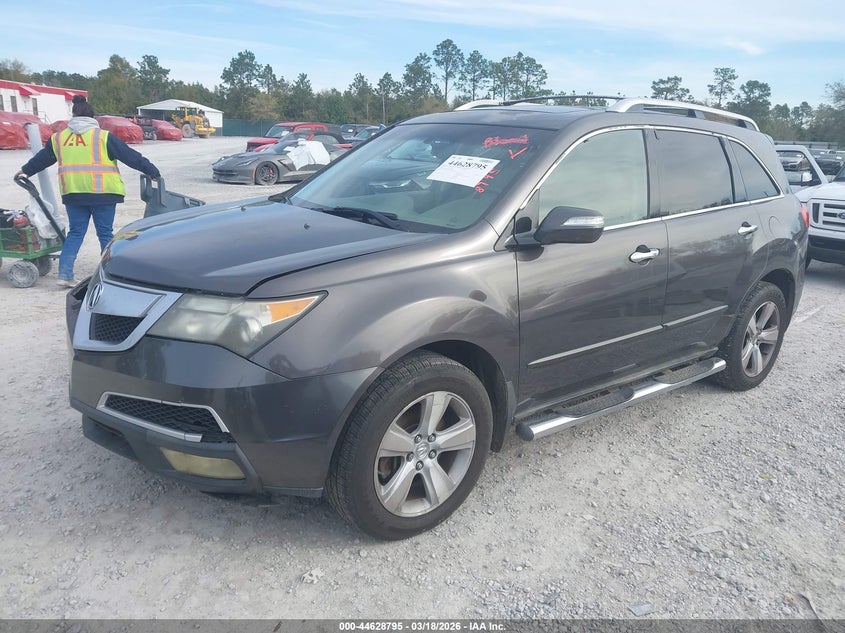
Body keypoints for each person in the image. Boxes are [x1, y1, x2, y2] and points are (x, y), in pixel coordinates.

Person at [15, 94, 161, 287]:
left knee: (75, 233)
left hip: (74, 193)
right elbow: (131, 156)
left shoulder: (60, 138)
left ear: (73, 115)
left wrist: (24, 171)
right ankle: (109, 274)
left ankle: (65, 275)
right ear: (93, 117)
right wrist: (152, 171)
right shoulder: (102, 136)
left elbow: (42, 159)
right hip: (104, 194)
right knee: (105, 234)